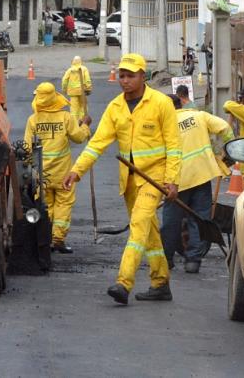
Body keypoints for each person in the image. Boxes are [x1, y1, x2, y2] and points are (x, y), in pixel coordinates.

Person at [63, 53, 181, 304]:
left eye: (130, 76)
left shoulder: (161, 103)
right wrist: (77, 170)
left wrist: (172, 180)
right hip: (129, 179)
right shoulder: (115, 107)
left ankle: (123, 283)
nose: (125, 80)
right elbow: (97, 143)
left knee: (138, 225)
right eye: (122, 76)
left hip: (154, 177)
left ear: (143, 76)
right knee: (149, 232)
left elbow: (174, 145)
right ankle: (161, 283)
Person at [161, 94, 233, 274]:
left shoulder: (164, 125)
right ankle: (193, 261)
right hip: (202, 175)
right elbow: (225, 127)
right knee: (199, 219)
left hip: (176, 180)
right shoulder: (199, 116)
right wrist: (228, 151)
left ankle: (167, 259)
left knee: (171, 221)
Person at [24, 82, 91, 253]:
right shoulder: (65, 117)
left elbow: (26, 148)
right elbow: (78, 137)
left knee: (46, 206)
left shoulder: (33, 119)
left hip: (42, 174)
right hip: (63, 174)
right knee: (64, 204)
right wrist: (85, 125)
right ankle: (58, 239)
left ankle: (45, 238)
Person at [61, 56, 93, 122]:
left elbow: (64, 80)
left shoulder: (70, 70)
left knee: (74, 109)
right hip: (82, 91)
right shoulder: (84, 69)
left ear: (73, 61)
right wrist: (88, 89)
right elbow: (88, 80)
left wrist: (64, 89)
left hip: (73, 92)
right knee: (83, 107)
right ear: (81, 61)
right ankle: (83, 121)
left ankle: (75, 123)